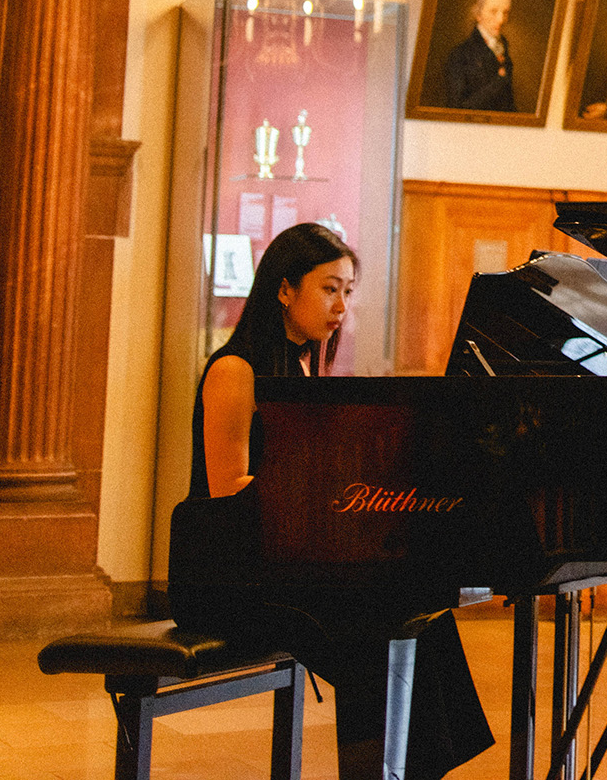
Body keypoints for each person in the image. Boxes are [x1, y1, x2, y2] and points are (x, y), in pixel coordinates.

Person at [173, 223, 494, 779]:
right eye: (329, 288)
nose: (341, 305)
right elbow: (226, 490)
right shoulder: (234, 370)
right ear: (283, 289)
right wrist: (328, 498)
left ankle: (417, 766)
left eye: (348, 291)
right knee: (373, 623)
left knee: (419, 606)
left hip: (285, 566)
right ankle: (384, 769)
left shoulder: (302, 367)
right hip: (228, 576)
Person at [440, 0, 515, 111]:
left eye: (505, 13)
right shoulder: (460, 54)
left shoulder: (503, 50)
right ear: (478, 14)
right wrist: (499, 81)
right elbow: (456, 108)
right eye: (493, 11)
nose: (501, 19)